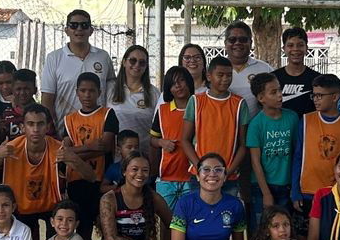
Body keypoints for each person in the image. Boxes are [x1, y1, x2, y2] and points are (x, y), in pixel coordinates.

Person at [0, 104, 94, 238]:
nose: (36, 129)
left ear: (47, 127)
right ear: (22, 127)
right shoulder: (11, 148)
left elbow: (91, 177)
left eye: (40, 124)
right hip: (20, 209)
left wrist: (75, 159)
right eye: (31, 124)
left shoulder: (58, 148)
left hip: (51, 208)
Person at [179, 56, 250, 198]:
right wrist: (200, 167)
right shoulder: (196, 101)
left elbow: (243, 145)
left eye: (229, 75)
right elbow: (185, 140)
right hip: (199, 176)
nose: (225, 79)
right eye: (220, 75)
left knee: (226, 218)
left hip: (228, 177)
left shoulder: (239, 104)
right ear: (209, 76)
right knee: (198, 216)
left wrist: (228, 171)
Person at [59, 72, 119, 240]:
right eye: (83, 90)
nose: (87, 95)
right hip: (76, 181)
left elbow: (105, 147)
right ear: (77, 92)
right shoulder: (69, 119)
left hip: (101, 181)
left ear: (99, 92)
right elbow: (64, 152)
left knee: (105, 227)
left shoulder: (108, 114)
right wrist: (90, 146)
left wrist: (74, 153)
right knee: (82, 229)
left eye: (91, 91)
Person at [293, 75, 340, 224]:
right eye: (314, 95)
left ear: (335, 96)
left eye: (320, 95)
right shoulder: (306, 120)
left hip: (336, 193)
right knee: (307, 237)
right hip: (307, 192)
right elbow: (298, 157)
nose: (315, 99)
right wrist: (295, 191)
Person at [40, 9, 116, 120]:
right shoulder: (54, 58)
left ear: (91, 30)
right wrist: (50, 130)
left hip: (99, 128)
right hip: (65, 130)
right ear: (66, 30)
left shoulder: (103, 57)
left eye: (84, 25)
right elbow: (47, 98)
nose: (79, 29)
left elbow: (111, 92)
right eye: (74, 25)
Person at [246, 73, 300, 223]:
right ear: (261, 98)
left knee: (284, 228)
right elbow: (255, 161)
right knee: (261, 229)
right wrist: (266, 193)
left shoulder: (292, 118)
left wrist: (295, 187)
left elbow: (297, 153)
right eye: (273, 92)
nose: (279, 95)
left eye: (280, 90)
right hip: (262, 186)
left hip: (286, 186)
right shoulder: (256, 124)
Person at [150, 65, 195, 207]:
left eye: (182, 80)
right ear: (169, 88)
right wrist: (162, 142)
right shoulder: (162, 111)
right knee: (166, 221)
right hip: (167, 176)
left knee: (190, 220)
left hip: (193, 176)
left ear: (189, 82)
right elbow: (152, 140)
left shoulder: (199, 108)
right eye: (173, 83)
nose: (178, 86)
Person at [106, 44, 158, 145]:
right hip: (115, 155)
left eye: (142, 62)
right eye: (133, 60)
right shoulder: (109, 88)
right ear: (124, 62)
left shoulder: (154, 93)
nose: (137, 65)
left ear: (146, 66)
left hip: (143, 155)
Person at [219, 21, 274, 112]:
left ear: (251, 43)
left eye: (243, 39)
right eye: (232, 39)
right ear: (225, 43)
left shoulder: (265, 69)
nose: (237, 43)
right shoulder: (215, 70)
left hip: (257, 125)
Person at [274, 27, 321, 116]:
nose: (295, 49)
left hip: (309, 128)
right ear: (284, 49)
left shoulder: (317, 79)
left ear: (306, 48)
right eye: (290, 45)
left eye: (300, 45)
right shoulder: (274, 78)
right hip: (281, 129)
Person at [0, 69, 38, 141]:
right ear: (12, 90)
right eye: (18, 89)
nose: (22, 93)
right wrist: (0, 131)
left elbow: (50, 139)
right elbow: (2, 142)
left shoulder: (42, 114)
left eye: (27, 89)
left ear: (35, 90)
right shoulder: (6, 115)